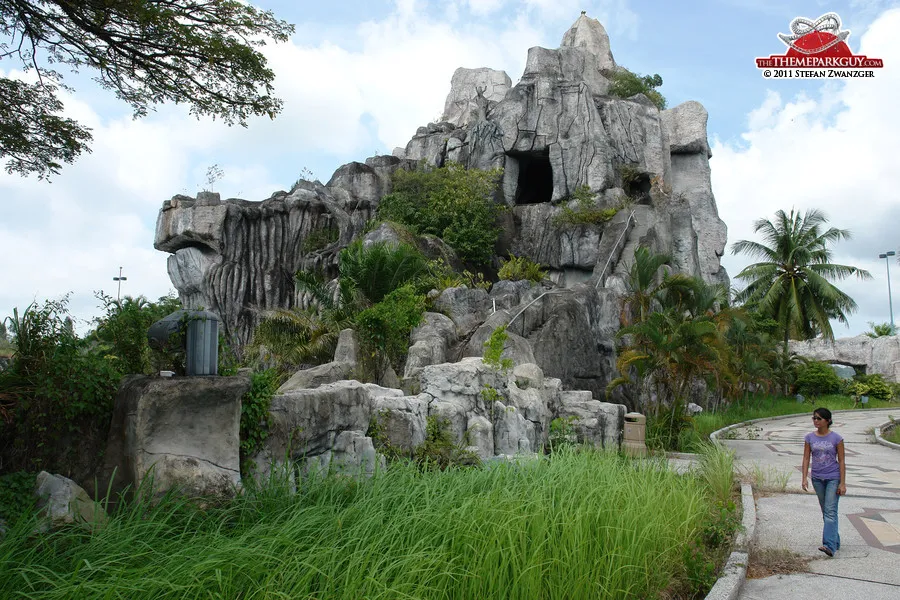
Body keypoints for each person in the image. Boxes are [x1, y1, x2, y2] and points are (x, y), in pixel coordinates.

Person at [800, 407, 846, 557]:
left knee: (830, 512)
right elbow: (806, 458)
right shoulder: (809, 438)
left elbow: (842, 461)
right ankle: (835, 541)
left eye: (819, 418)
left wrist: (842, 483)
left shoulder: (836, 439)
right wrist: (804, 477)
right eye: (814, 418)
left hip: (833, 478)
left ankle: (829, 546)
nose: (815, 421)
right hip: (817, 478)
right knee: (826, 512)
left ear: (828, 421)